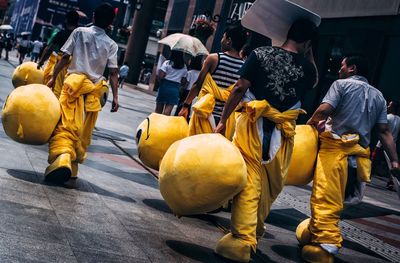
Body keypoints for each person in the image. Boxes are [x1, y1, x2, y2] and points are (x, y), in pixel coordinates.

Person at [212, 19, 318, 262]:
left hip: (252, 125)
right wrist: (310, 53)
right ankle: (254, 229)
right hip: (283, 131)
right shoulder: (308, 68)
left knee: (250, 179)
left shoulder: (259, 54)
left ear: (286, 32)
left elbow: (239, 88)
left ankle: (242, 239)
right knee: (270, 185)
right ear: (308, 43)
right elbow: (311, 83)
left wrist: (222, 120)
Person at [304, 56, 399, 262]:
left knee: (324, 197)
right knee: (335, 201)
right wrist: (394, 161)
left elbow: (324, 110)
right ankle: (314, 232)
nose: (339, 70)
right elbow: (384, 132)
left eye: (342, 66)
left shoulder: (341, 85)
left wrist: (308, 125)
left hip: (335, 153)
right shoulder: (379, 96)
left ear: (352, 69)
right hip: (359, 159)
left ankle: (326, 245)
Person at [45, 3, 119, 184]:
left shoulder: (79, 32)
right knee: (83, 130)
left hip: (72, 87)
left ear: (93, 17)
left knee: (65, 125)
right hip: (93, 93)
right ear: (111, 23)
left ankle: (62, 158)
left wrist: (53, 77)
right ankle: (73, 170)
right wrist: (116, 97)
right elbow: (114, 72)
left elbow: (64, 57)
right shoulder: (112, 44)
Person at [178, 24, 247, 138]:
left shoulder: (213, 59)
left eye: (223, 37)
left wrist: (186, 105)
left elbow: (198, 84)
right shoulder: (244, 66)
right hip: (227, 121)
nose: (221, 40)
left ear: (229, 40)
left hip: (206, 113)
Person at [37, 10, 79, 98]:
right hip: (76, 69)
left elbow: (49, 49)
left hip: (61, 66)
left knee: (56, 91)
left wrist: (40, 62)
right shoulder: (81, 36)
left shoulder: (61, 34)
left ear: (66, 20)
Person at [155, 50, 188, 116]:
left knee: (158, 111)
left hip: (164, 86)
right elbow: (183, 81)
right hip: (175, 89)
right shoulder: (184, 66)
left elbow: (161, 76)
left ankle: (156, 125)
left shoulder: (167, 63)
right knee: (167, 112)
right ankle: (164, 125)